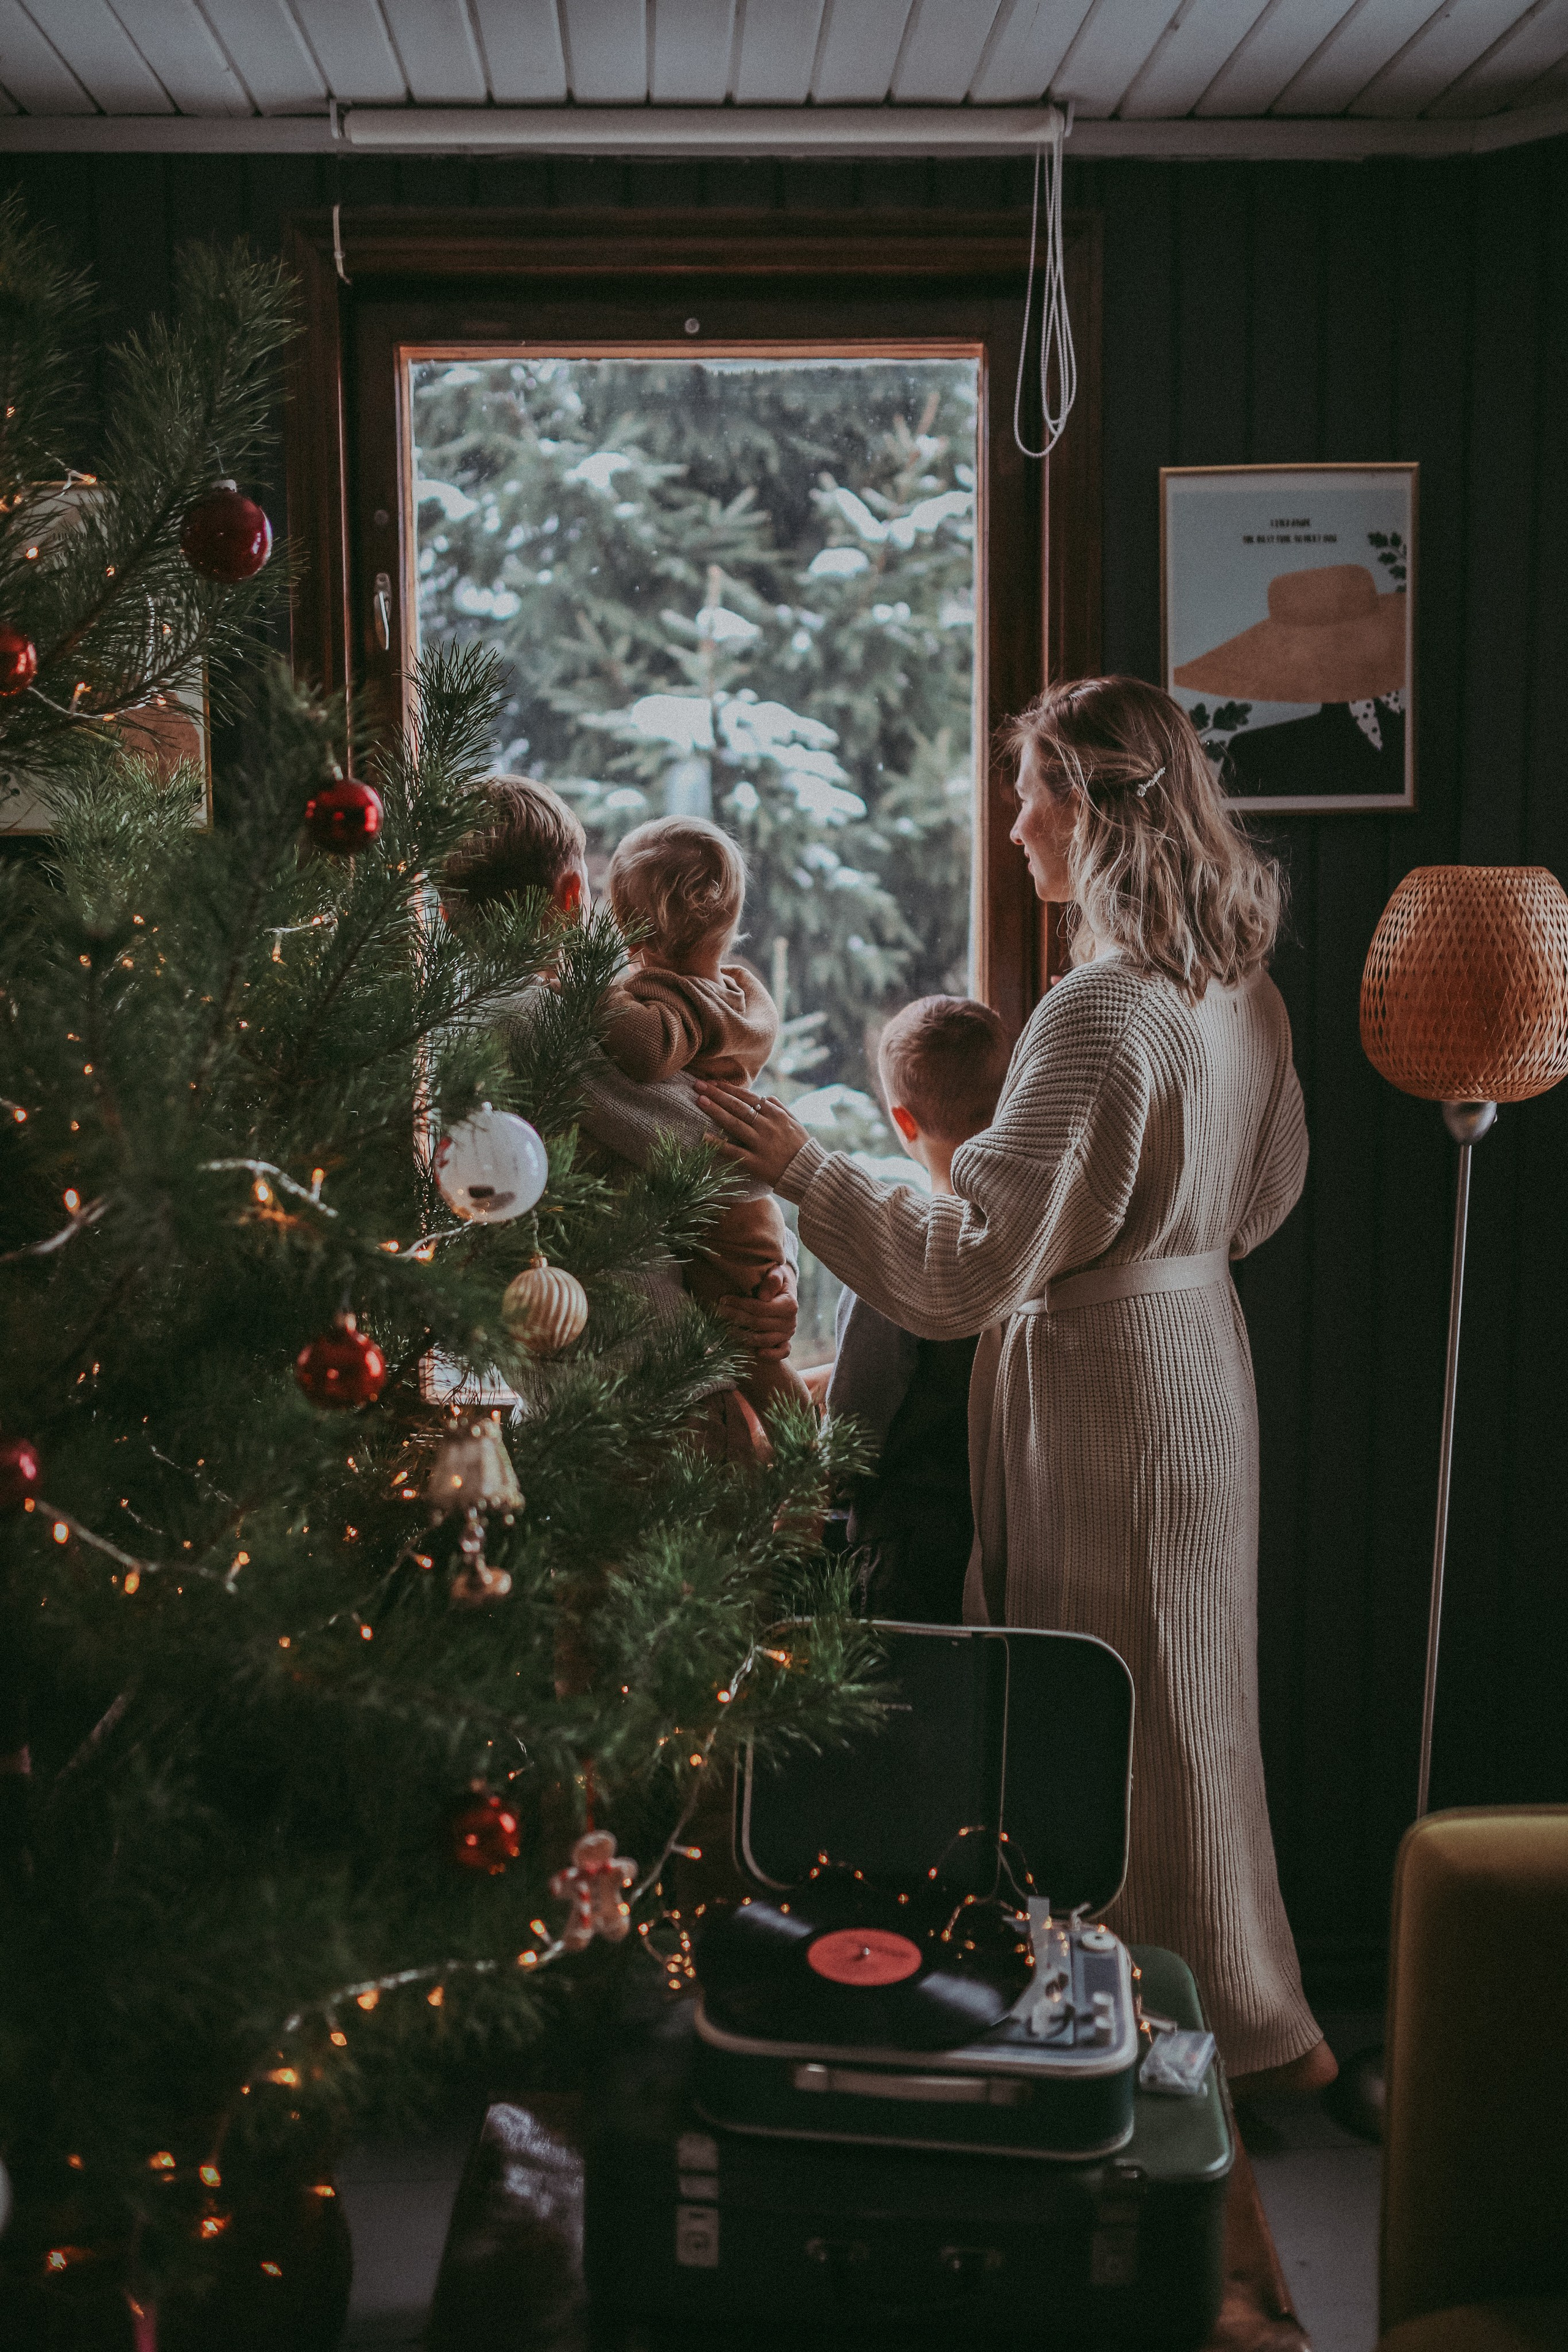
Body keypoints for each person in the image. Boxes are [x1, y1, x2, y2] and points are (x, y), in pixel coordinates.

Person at [695, 677, 1335, 2100]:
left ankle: (1121, 2030)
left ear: (1096, 805)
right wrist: (1161, 1246)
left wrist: (799, 1166)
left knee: (1090, 1714)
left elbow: (957, 1270)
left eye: (1031, 791)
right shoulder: (1238, 985)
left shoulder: (1099, 1008)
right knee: (1189, 1706)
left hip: (1104, 1390)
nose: (1012, 821)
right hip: (1197, 1363)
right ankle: (1249, 2019)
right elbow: (1268, 1193)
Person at [441, 779, 799, 1400]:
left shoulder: (450, 1017)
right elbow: (731, 1153)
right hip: (649, 1379)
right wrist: (765, 1270)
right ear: (572, 893)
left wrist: (774, 1269)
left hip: (571, 1371)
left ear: (447, 912)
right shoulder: (539, 1018)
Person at [598, 814, 812, 1423]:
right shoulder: (736, 993)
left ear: (629, 928)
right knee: (753, 1349)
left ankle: (804, 1471)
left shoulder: (679, 1002)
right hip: (746, 1206)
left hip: (726, 1215)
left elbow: (644, 1052)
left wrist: (592, 986)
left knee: (757, 1355)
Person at [826, 995, 1011, 1624]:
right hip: (998, 1527)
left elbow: (860, 1407)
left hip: (906, 1536)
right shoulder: (1024, 1237)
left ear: (903, 1123)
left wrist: (826, 1479)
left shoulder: (903, 1243)